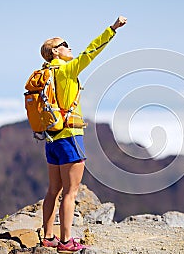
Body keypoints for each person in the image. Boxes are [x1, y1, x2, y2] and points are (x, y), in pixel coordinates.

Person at [39, 16, 127, 251]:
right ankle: (66, 241)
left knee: (53, 190)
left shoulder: (45, 74)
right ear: (55, 52)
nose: (70, 47)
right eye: (64, 44)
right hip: (69, 135)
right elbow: (91, 52)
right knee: (71, 192)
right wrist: (112, 30)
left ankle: (48, 236)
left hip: (51, 138)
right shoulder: (67, 71)